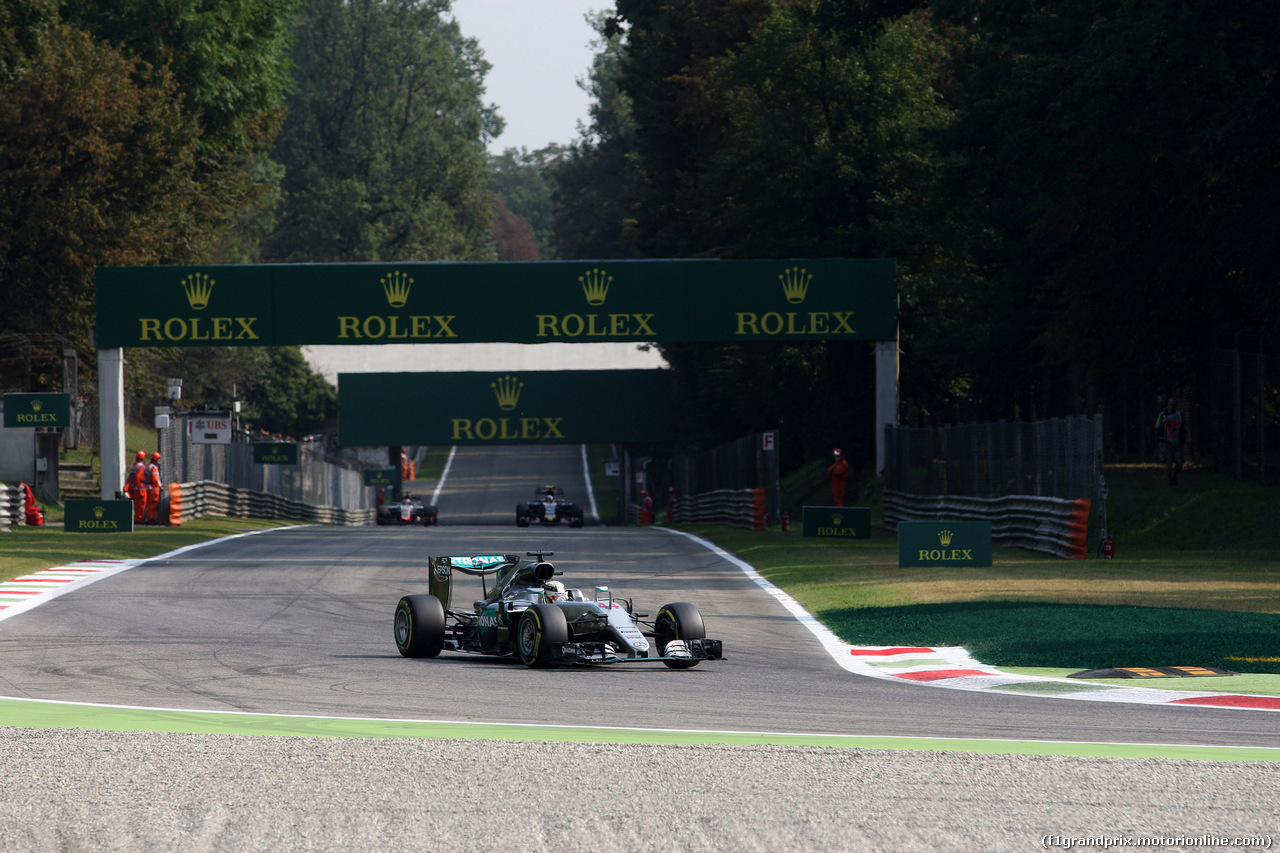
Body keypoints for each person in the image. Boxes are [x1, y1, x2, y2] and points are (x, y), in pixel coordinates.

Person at [1154, 396, 1189, 485]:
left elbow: (1184, 427)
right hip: (1167, 442)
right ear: (1167, 405)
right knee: (1168, 462)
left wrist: (1188, 436)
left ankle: (1173, 476)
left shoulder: (1180, 415)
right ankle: (1169, 481)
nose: (1171, 406)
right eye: (1170, 404)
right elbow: (1156, 426)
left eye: (1173, 404)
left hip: (1178, 442)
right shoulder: (1163, 415)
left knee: (1179, 463)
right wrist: (1163, 422)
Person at [126, 450, 147, 522]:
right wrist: (136, 484)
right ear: (143, 458)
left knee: (136, 504)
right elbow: (138, 477)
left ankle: (136, 518)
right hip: (140, 488)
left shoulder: (134, 466)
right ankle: (139, 519)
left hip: (133, 488)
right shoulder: (141, 467)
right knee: (141, 504)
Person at [144, 452, 164, 523]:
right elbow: (155, 478)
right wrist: (160, 486)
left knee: (148, 504)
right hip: (154, 488)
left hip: (148, 487)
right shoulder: (153, 468)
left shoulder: (148, 466)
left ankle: (147, 517)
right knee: (153, 504)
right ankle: (150, 518)